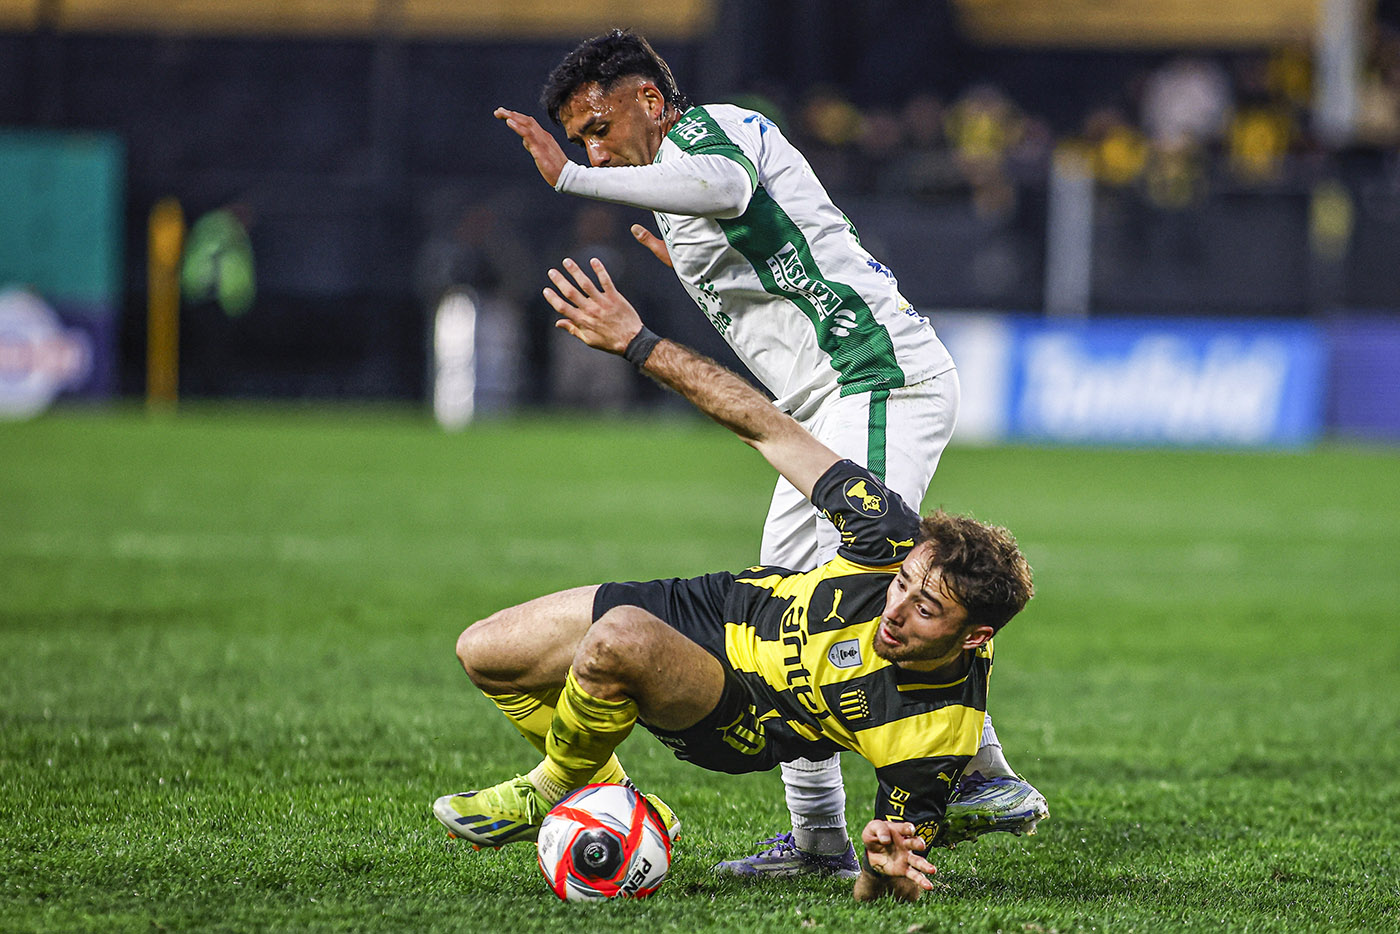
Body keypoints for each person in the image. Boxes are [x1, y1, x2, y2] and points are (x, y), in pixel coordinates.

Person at [494, 28, 1046, 876]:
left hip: (873, 377)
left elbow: (725, 180)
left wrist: (571, 178)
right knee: (787, 612)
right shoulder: (677, 202)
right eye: (579, 145)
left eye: (598, 128)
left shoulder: (718, 130)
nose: (594, 150)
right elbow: (756, 250)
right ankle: (820, 836)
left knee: (865, 582)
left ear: (650, 100)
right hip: (829, 399)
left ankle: (979, 776)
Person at [433, 257, 1036, 903]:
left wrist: (878, 871)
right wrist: (639, 343)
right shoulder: (891, 537)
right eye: (905, 585)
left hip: (743, 705)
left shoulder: (934, 733)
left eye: (927, 611)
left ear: (972, 638)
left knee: (618, 641)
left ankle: (550, 791)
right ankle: (602, 795)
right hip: (720, 604)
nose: (898, 608)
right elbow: (766, 429)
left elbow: (888, 886)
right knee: (485, 653)